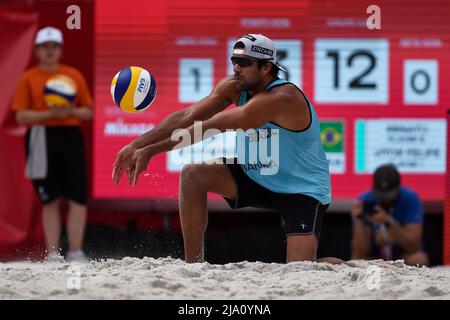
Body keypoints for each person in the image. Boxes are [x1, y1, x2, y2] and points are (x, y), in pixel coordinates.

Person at [113, 34, 346, 264]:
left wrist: (152, 150)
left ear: (266, 68)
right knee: (193, 174)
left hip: (300, 189)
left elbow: (211, 126)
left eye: (244, 63)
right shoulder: (235, 86)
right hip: (256, 174)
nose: (235, 67)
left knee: (302, 269)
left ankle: (348, 268)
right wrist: (136, 144)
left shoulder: (283, 98)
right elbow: (188, 116)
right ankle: (193, 265)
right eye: (233, 60)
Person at [11, 27, 93, 263]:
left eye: (54, 46)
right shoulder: (28, 77)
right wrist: (49, 114)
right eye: (45, 47)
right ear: (37, 50)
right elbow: (20, 117)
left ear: (61, 50)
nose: (49, 51)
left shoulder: (73, 75)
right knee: (50, 198)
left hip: (69, 136)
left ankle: (76, 252)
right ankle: (53, 254)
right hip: (40, 137)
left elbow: (88, 111)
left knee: (77, 196)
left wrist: (68, 112)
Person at [351, 164, 429, 266]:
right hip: (375, 259)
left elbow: (414, 245)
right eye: (381, 195)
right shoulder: (365, 202)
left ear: (398, 187)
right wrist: (358, 221)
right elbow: (360, 252)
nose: (385, 199)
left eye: (389, 195)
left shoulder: (410, 198)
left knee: (420, 259)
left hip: (402, 258)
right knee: (356, 260)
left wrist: (389, 222)